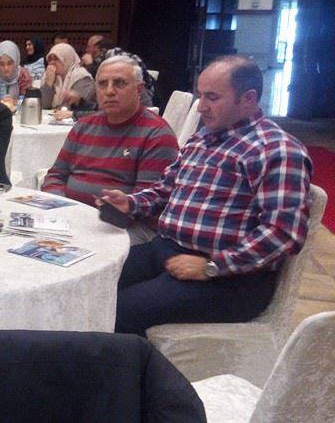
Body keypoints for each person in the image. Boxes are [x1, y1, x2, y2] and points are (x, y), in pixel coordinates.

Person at [101, 56, 313, 337]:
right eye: (200, 95)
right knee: (96, 282)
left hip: (229, 279)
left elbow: (282, 234)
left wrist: (213, 266)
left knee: (120, 311)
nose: (200, 106)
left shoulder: (276, 150)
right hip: (166, 249)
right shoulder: (203, 137)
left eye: (212, 97)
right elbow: (166, 189)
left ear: (248, 99)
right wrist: (131, 202)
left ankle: (129, 365)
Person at [41, 56, 178, 244]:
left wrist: (88, 221)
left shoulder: (156, 135)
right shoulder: (83, 126)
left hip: (124, 228)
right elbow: (56, 175)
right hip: (70, 220)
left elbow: (148, 205)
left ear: (139, 90)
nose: (109, 91)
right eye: (102, 84)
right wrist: (61, 207)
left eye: (119, 83)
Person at [40, 43, 95, 111]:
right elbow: (43, 105)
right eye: (50, 59)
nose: (52, 63)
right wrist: (48, 83)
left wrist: (54, 111)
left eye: (56, 59)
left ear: (68, 59)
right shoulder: (49, 76)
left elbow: (74, 107)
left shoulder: (81, 77)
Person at [0, 40, 32, 108]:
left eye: (10, 63)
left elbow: (28, 101)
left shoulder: (23, 75)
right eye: (1, 64)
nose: (6, 68)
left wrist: (15, 102)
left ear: (16, 61)